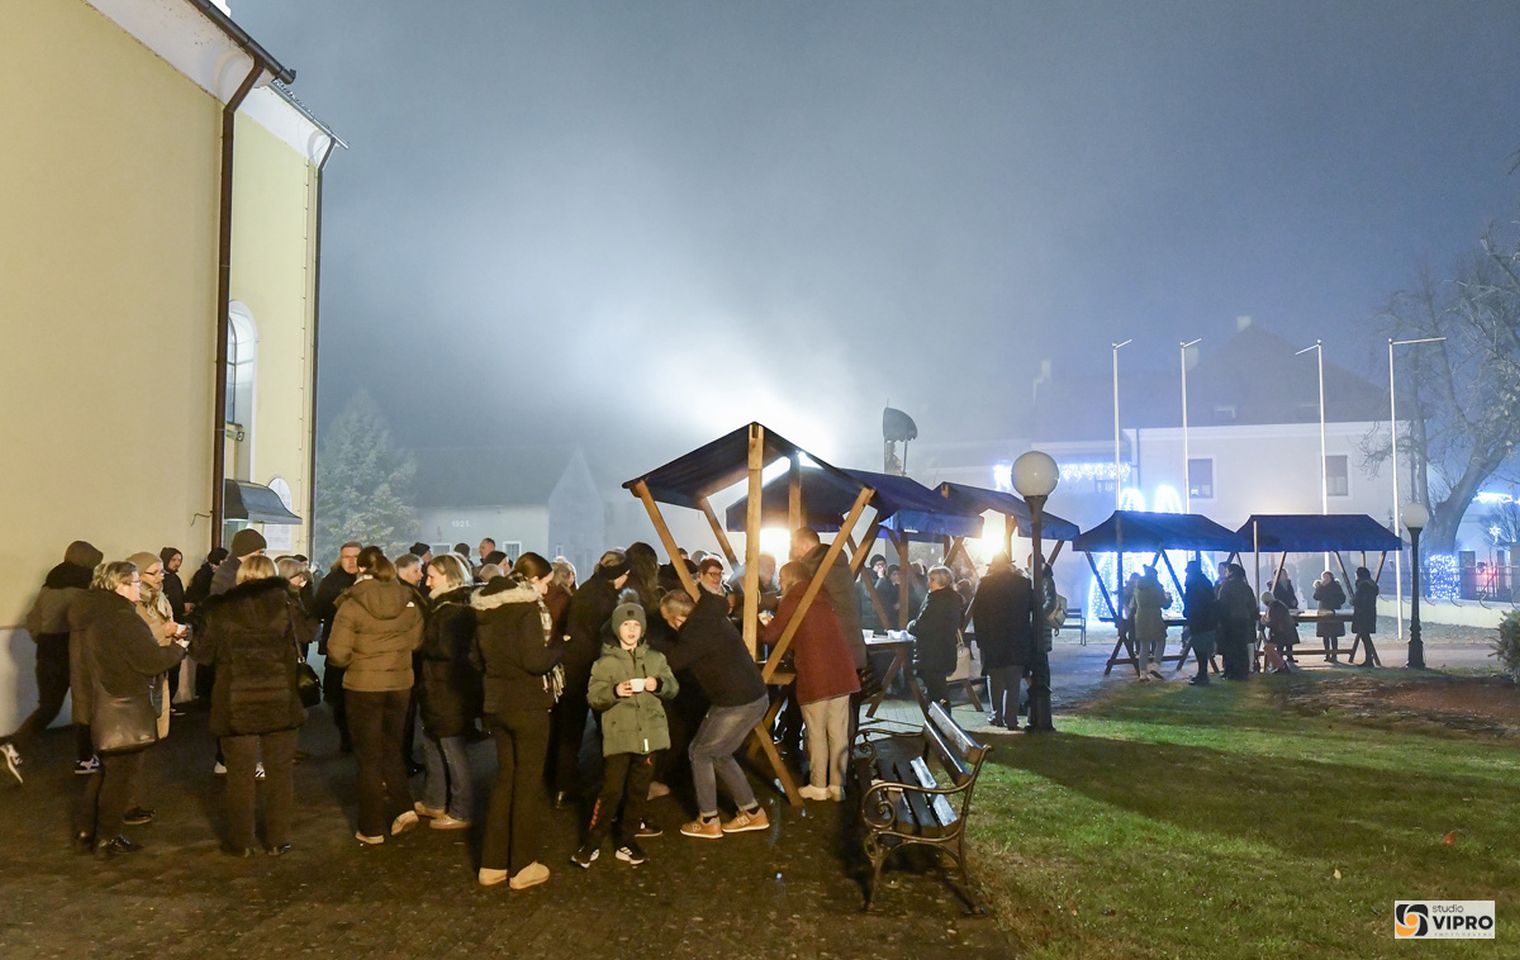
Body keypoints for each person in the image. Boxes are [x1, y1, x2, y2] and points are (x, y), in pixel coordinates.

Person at [192, 555, 306, 856]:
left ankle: (241, 841)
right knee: (280, 774)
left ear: (240, 577)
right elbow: (308, 634)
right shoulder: (287, 603)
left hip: (235, 700)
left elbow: (203, 654)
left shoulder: (221, 608)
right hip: (280, 697)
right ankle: (278, 839)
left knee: (240, 777)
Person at [73, 561, 188, 857]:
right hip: (125, 706)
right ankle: (106, 838)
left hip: (104, 702)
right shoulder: (124, 618)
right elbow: (149, 661)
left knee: (106, 771)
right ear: (119, 585)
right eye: (136, 582)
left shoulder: (97, 615)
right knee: (120, 777)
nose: (140, 587)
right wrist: (179, 648)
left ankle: (88, 830)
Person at [471, 552, 566, 889]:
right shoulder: (526, 610)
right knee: (528, 784)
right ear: (532, 580)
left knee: (504, 780)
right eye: (543, 583)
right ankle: (523, 864)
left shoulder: (485, 609)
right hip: (527, 704)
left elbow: (474, 657)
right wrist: (561, 649)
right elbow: (535, 661)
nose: (545, 591)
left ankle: (492, 864)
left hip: (496, 703)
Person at [325, 547, 425, 845]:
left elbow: (338, 652)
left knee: (368, 757)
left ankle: (370, 828)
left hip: (363, 686)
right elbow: (416, 640)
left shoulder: (351, 604)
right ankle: (403, 807)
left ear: (361, 571)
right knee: (392, 747)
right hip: (400, 683)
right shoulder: (410, 600)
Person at [660, 589, 771, 840]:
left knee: (699, 753)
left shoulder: (695, 632)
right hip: (754, 696)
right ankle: (753, 812)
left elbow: (671, 662)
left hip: (736, 702)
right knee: (720, 753)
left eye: (668, 621)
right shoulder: (711, 616)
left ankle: (708, 819)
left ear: (676, 619)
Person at [574, 602, 678, 868]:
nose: (631, 630)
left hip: (649, 737)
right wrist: (615, 691)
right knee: (610, 790)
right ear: (616, 627)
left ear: (642, 629)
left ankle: (626, 840)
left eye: (636, 625)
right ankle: (593, 840)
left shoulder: (655, 659)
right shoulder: (604, 663)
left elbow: (672, 687)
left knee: (638, 790)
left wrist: (658, 684)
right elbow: (594, 697)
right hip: (619, 737)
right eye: (625, 624)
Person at [1, 540, 104, 784]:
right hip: (72, 655)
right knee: (85, 706)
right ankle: (85, 759)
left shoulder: (48, 586)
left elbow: (32, 621)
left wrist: (46, 641)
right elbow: (86, 624)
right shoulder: (84, 588)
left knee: (48, 707)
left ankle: (14, 746)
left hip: (46, 655)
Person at [762, 562, 859, 801]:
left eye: (782, 578)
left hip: (817, 674)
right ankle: (837, 786)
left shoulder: (793, 598)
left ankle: (818, 785)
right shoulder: (823, 596)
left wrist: (762, 622)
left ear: (791, 578)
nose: (780, 583)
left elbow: (771, 635)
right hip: (842, 672)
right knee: (838, 732)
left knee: (816, 731)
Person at [552, 550, 628, 807]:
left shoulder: (585, 589)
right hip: (594, 667)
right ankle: (608, 785)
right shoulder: (607, 599)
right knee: (607, 726)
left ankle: (563, 785)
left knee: (570, 728)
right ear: (617, 575)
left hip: (574, 665)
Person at [415, 554, 481, 830]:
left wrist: (420, 645)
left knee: (451, 748)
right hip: (440, 687)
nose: (426, 582)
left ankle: (460, 810)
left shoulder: (451, 609)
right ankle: (434, 800)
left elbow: (448, 650)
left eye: (432, 577)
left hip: (447, 688)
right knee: (433, 742)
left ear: (448, 577)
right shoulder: (451, 605)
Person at [969, 554, 1030, 729]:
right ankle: (1011, 718)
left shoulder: (985, 583)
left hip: (993, 639)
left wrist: (981, 640)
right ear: (1009, 565)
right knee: (1013, 681)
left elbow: (978, 614)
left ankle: (997, 715)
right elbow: (1029, 610)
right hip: (1016, 639)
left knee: (995, 679)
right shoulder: (1023, 583)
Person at [313, 542, 361, 752]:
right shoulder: (331, 581)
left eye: (355, 556)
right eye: (346, 557)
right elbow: (320, 609)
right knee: (339, 697)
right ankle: (347, 737)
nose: (351, 561)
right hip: (339, 642)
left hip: (362, 646)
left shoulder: (369, 580)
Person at [907, 566, 964, 710]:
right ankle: (942, 724)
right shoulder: (954, 599)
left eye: (930, 579)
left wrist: (910, 625)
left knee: (935, 693)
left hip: (931, 653)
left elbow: (921, 626)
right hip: (945, 650)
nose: (928, 583)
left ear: (937, 581)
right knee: (939, 690)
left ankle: (939, 726)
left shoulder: (936, 601)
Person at [1129, 565, 1172, 681]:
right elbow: (1164, 604)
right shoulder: (1156, 587)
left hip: (1141, 617)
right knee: (1161, 640)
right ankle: (1156, 665)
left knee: (1144, 645)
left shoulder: (1137, 587)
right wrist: (1169, 598)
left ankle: (1142, 673)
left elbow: (1133, 604)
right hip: (1154, 616)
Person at [1216, 564, 1258, 680]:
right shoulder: (1246, 588)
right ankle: (1242, 672)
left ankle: (1230, 671)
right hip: (1244, 621)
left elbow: (1222, 603)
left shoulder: (1227, 586)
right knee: (1241, 647)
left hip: (1229, 621)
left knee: (1230, 647)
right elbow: (1252, 605)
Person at [1182, 560, 1218, 686]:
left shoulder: (1192, 584)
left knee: (1199, 649)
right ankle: (1202, 674)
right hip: (1208, 621)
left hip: (1198, 621)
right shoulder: (1205, 582)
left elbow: (1192, 603)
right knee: (1203, 648)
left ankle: (1202, 675)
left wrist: (1187, 613)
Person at [210, 528, 267, 597]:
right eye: (260, 552)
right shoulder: (230, 576)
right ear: (246, 550)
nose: (262, 556)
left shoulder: (229, 569)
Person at [1313, 571, 1347, 664]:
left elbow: (1342, 598)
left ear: (1331, 578)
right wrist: (1320, 588)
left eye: (1327, 577)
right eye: (1324, 577)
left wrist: (1334, 601)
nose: (1325, 579)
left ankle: (1334, 654)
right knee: (1325, 635)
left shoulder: (1336, 586)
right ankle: (1327, 653)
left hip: (1333, 611)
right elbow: (1316, 597)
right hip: (1323, 611)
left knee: (1334, 634)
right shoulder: (1321, 587)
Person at [1351, 567, 1381, 666]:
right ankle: (1369, 659)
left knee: (1365, 637)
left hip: (1362, 614)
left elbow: (1358, 600)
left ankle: (1369, 659)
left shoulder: (1362, 586)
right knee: (1365, 636)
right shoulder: (1371, 585)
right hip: (1370, 613)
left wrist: (1353, 601)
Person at [1261, 592, 1295, 673]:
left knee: (1268, 648)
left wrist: (1264, 621)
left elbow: (1272, 623)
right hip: (1286, 632)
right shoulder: (1278, 605)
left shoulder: (1274, 607)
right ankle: (1278, 666)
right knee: (1269, 648)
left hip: (1282, 633)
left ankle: (1281, 665)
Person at [160, 548, 187, 623]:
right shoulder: (160, 579)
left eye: (179, 560)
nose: (177, 563)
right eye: (173, 560)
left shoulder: (175, 577)